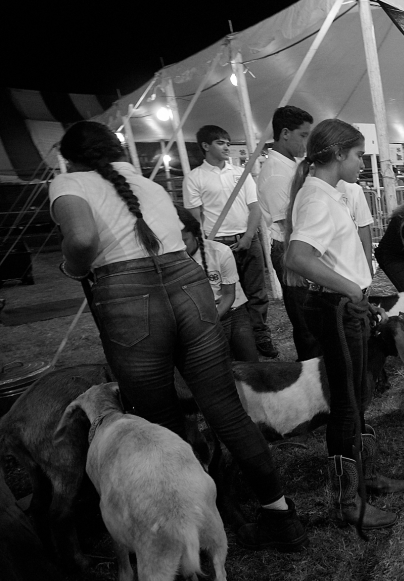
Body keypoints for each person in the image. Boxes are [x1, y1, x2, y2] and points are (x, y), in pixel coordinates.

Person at [49, 121, 306, 551]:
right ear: (116, 150)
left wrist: (73, 268)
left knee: (161, 420)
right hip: (187, 283)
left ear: (71, 157)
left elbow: (81, 238)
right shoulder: (145, 185)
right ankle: (280, 516)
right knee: (226, 408)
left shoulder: (68, 182)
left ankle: (197, 521)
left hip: (127, 294)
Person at [284, 118, 404, 530]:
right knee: (346, 403)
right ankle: (346, 501)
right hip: (337, 310)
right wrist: (352, 290)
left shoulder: (326, 194)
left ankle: (364, 479)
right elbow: (298, 257)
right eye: (358, 155)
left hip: (344, 307)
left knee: (356, 395)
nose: (362, 163)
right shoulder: (319, 199)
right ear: (337, 154)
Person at [184, 124, 278, 358]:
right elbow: (195, 217)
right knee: (225, 293)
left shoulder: (240, 173)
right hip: (216, 245)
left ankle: (259, 334)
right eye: (220, 143)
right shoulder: (194, 178)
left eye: (227, 142)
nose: (226, 146)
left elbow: (254, 207)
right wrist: (208, 245)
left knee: (256, 291)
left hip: (246, 239)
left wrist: (248, 236)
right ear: (205, 146)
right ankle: (229, 337)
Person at [256, 106, 316, 360]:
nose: (307, 142)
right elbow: (289, 224)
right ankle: (313, 376)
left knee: (310, 316)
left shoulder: (289, 166)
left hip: (297, 244)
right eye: (303, 135)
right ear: (285, 133)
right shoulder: (276, 174)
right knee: (306, 320)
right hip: (291, 247)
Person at [177, 206, 258, 362]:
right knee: (217, 366)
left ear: (195, 235)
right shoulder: (169, 259)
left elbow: (229, 294)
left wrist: (210, 321)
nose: (180, 246)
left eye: (184, 240)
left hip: (232, 311)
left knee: (249, 362)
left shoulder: (220, 252)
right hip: (197, 320)